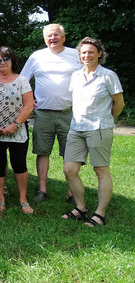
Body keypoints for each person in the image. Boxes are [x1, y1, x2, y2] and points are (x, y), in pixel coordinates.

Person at [62, 37, 124, 227]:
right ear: (79, 56)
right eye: (83, 53)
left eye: (91, 52)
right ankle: (80, 208)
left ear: (99, 54)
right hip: (76, 128)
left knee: (100, 171)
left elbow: (119, 103)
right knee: (69, 170)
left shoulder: (108, 76)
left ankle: (100, 214)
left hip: (99, 129)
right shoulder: (76, 75)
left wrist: (109, 120)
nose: (87, 55)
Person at [20, 24, 81, 203]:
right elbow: (23, 80)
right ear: (45, 39)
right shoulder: (36, 56)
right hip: (43, 114)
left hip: (68, 112)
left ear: (63, 37)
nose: (52, 38)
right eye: (49, 36)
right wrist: (29, 100)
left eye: (56, 35)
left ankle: (72, 190)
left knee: (70, 153)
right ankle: (42, 189)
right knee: (42, 151)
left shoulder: (75, 55)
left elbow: (86, 77)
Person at [0, 47, 34, 214]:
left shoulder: (22, 81)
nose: (2, 63)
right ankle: (0, 199)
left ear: (12, 61)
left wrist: (15, 125)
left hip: (17, 131)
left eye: (6, 59)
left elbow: (28, 105)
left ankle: (23, 199)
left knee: (19, 164)